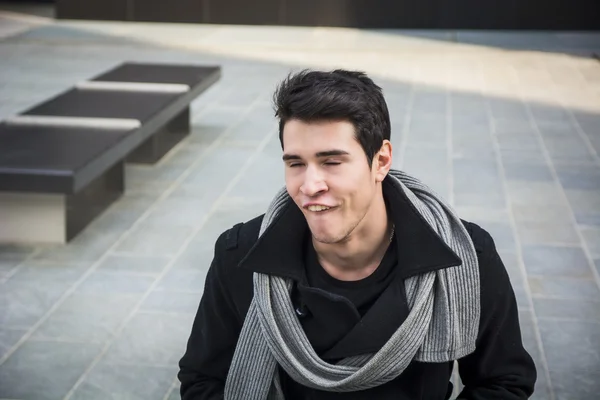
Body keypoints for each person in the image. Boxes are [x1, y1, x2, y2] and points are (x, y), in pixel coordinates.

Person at [178, 69, 537, 400]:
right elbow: (204, 380)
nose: (310, 185)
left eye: (332, 162)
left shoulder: (463, 253)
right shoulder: (240, 255)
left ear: (380, 161)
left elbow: (502, 383)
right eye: (295, 163)